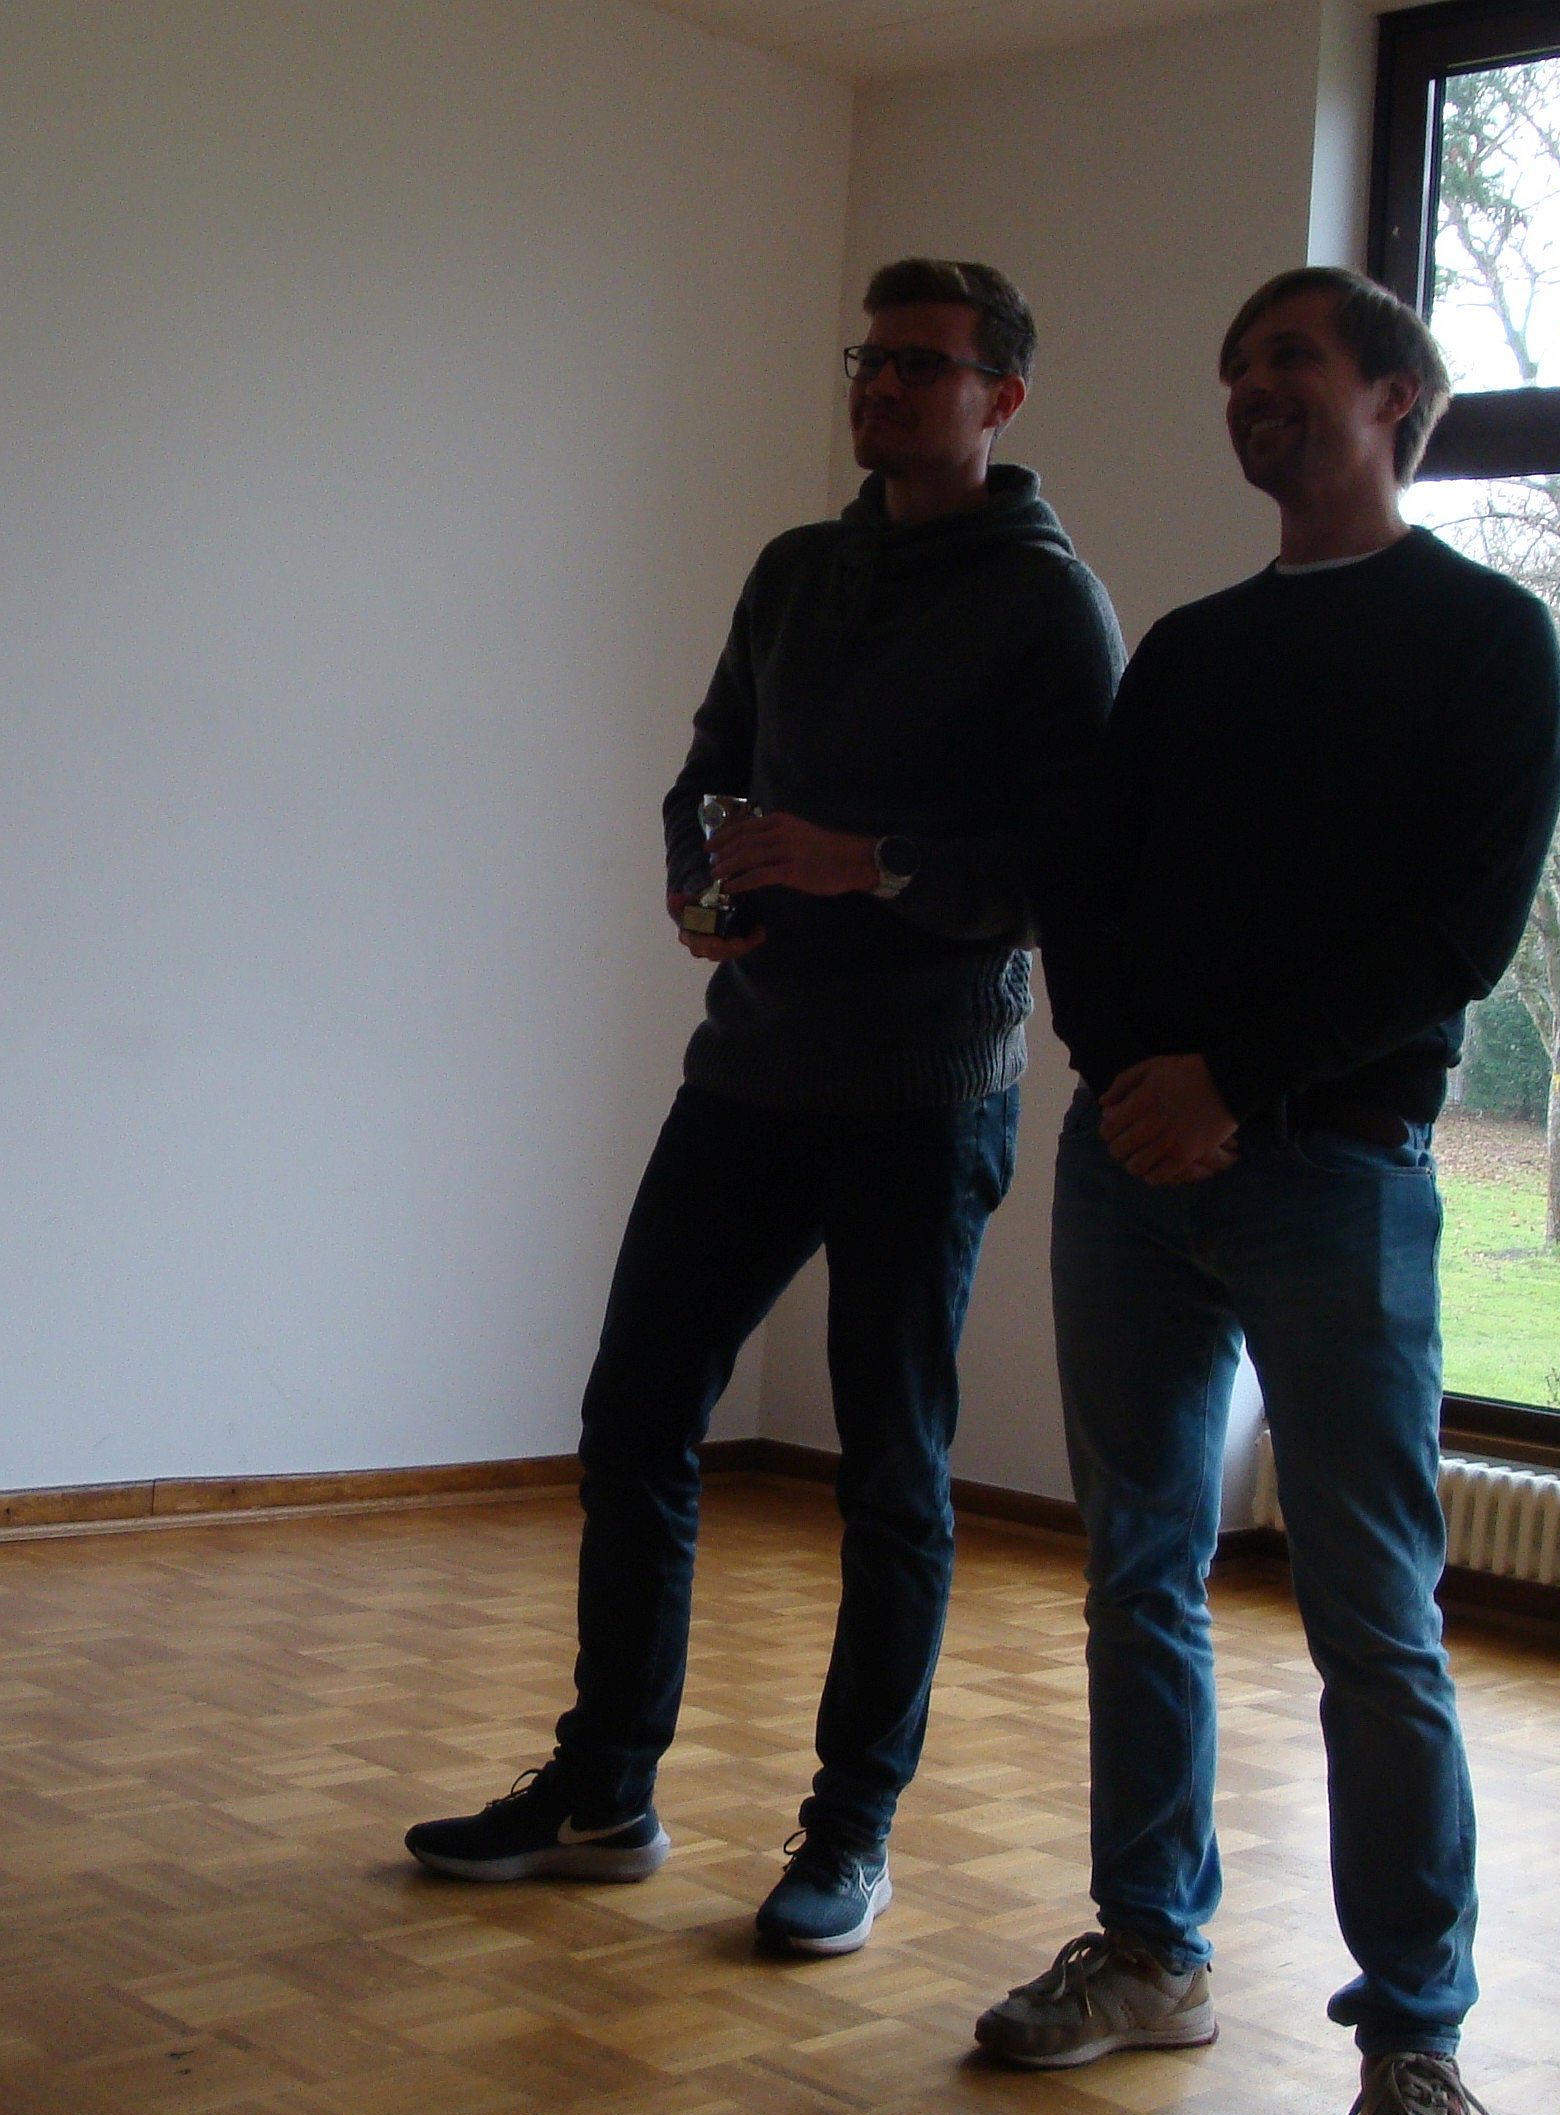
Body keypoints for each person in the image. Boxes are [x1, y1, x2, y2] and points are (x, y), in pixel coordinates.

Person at [406, 259, 1125, 1959]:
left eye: (922, 364)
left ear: (1002, 397)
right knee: (635, 1413)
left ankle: (849, 1832)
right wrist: (699, 879)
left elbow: (1067, 868)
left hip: (923, 1093)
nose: (881, 384)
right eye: (869, 357)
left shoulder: (1048, 603)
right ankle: (604, 1792)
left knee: (892, 1470)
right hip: (750, 1065)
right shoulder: (795, 569)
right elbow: (707, 771)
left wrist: (869, 863)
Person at [975, 265, 1560, 2115]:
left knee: (1373, 1623)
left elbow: (1456, 931)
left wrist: (1232, 1079)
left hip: (1337, 1172)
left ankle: (1417, 2045)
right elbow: (1086, 881)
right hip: (1132, 1164)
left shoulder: (1486, 638)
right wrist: (1132, 1079)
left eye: (1290, 361)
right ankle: (1151, 1952)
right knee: (1136, 1572)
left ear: (1396, 396)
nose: (1251, 391)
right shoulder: (1193, 650)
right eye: (1234, 368)